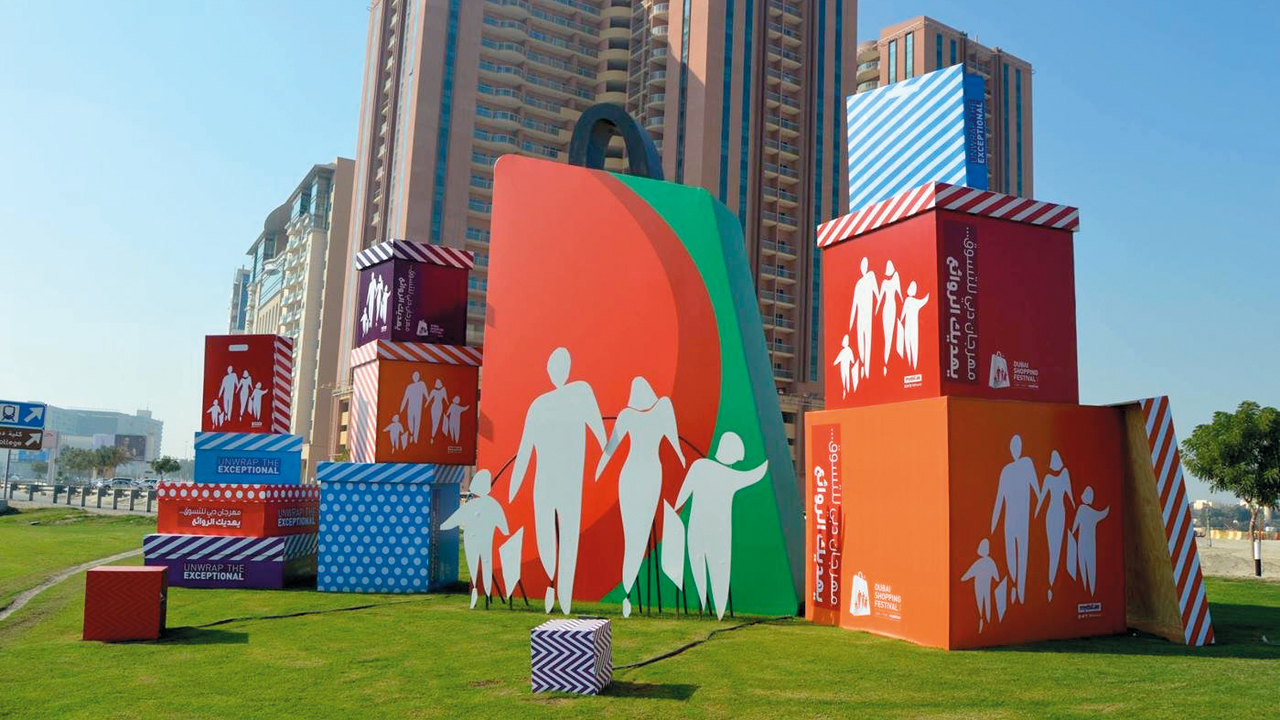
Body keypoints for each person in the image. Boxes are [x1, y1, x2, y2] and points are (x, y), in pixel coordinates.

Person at [509, 347, 606, 614]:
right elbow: (525, 452)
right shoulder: (567, 397)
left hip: (557, 484)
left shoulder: (568, 397)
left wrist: (514, 486)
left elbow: (524, 455)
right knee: (561, 537)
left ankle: (559, 591)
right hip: (557, 484)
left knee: (559, 537)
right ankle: (556, 589)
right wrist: (514, 486)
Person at [594, 377, 686, 618]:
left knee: (639, 534)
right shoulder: (635, 413)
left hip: (645, 474)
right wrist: (599, 469)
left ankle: (629, 590)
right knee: (632, 535)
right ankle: (628, 592)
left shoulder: (657, 409)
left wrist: (681, 456)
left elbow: (674, 439)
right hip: (634, 476)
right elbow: (611, 448)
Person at [674, 431, 768, 620]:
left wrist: (673, 512)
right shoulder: (729, 475)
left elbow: (681, 498)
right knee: (719, 572)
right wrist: (767, 463)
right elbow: (754, 475)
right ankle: (717, 610)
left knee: (699, 567)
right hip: (719, 534)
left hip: (696, 530)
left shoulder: (699, 467)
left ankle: (704, 607)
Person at [440, 469, 509, 609]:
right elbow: (504, 528)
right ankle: (484, 594)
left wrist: (442, 526)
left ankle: (481, 593)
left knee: (479, 565)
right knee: (483, 565)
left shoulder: (482, 505)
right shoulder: (491, 505)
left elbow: (451, 521)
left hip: (476, 540)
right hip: (478, 540)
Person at [990, 434, 1040, 604]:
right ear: (1011, 449)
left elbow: (1037, 489)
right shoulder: (1006, 470)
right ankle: (1013, 585)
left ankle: (1021, 591)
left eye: (1017, 446)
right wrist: (994, 522)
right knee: (1011, 556)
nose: (1015, 450)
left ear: (1021, 448)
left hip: (1022, 520)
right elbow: (999, 499)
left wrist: (1038, 510)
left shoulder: (1027, 464)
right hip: (1009, 521)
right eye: (1013, 447)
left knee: (1022, 555)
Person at [1035, 450, 1076, 600]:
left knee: (1058, 547)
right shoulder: (1049, 478)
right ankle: (1050, 583)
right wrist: (1035, 513)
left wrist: (1075, 510)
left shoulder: (1064, 475)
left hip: (1060, 514)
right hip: (1051, 514)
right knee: (1052, 548)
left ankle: (1053, 584)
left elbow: (1070, 496)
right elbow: (1042, 498)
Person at [1071, 486, 1110, 596]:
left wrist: (1071, 534)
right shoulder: (1091, 512)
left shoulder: (1081, 510)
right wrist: (1108, 507)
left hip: (1081, 543)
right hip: (1090, 544)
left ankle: (1086, 591)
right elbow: (1103, 514)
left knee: (1083, 565)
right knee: (1090, 566)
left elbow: (1074, 527)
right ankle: (1091, 593)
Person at [960, 538, 1002, 632]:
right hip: (986, 586)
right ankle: (987, 622)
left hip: (978, 586)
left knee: (981, 602)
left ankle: (982, 619)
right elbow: (997, 577)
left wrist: (963, 578)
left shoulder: (980, 562)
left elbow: (968, 574)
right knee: (987, 601)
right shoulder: (990, 562)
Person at [848, 257, 879, 380]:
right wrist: (851, 322)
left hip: (867, 316)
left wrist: (877, 310)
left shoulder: (871, 277)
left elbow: (877, 294)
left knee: (868, 342)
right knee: (861, 343)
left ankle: (867, 370)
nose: (863, 268)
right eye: (862, 266)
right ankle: (863, 367)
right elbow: (854, 305)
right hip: (860, 318)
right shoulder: (859, 284)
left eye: (865, 265)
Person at [876, 260, 903, 374]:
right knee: (886, 336)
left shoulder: (896, 278)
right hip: (886, 309)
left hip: (893, 308)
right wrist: (876, 311)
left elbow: (900, 295)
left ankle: (889, 362)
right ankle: (885, 362)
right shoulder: (884, 283)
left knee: (892, 334)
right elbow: (880, 299)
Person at [899, 281, 930, 369]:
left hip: (908, 326)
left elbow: (902, 315)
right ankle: (913, 366)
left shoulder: (907, 301)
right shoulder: (914, 302)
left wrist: (900, 321)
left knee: (908, 343)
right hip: (913, 326)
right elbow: (924, 301)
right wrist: (928, 294)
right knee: (913, 344)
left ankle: (911, 365)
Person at [398, 372, 430, 444]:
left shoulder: (422, 384)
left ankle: (415, 438)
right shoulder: (409, 387)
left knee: (417, 422)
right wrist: (401, 408)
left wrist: (427, 404)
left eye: (417, 376)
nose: (415, 377)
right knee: (410, 423)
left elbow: (426, 395)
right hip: (410, 407)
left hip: (418, 408)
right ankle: (412, 434)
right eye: (414, 376)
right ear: (412, 377)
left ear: (419, 377)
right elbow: (405, 398)